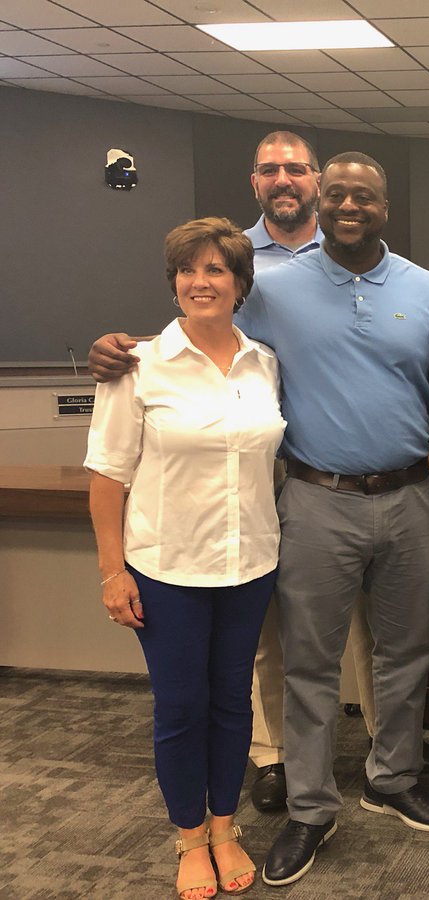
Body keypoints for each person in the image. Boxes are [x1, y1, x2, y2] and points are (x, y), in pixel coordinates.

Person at [88, 132, 429, 817]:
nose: (347, 204)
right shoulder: (273, 288)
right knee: (303, 662)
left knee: (405, 652)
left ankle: (392, 778)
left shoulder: (426, 290)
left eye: (361, 194)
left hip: (407, 497)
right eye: (335, 192)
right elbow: (198, 331)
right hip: (314, 499)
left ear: (385, 206)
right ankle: (310, 804)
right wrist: (124, 350)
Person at [85, 217, 285, 899]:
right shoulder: (137, 365)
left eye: (216, 270)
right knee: (180, 704)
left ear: (239, 284)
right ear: (174, 282)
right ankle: (189, 837)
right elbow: (107, 477)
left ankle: (226, 827)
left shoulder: (264, 363)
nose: (201, 282)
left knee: (233, 702)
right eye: (188, 270)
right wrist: (114, 572)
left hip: (250, 564)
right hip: (166, 569)